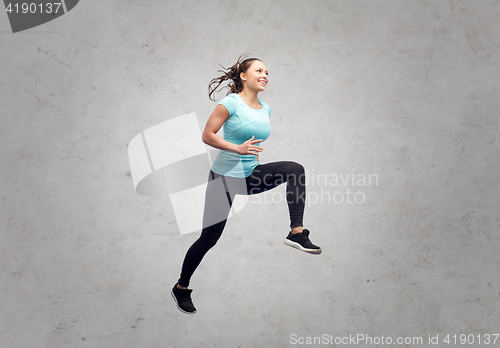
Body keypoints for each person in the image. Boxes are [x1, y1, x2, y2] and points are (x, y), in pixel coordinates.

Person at [171, 56, 321, 314]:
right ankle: (181, 287)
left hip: (250, 175)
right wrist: (236, 148)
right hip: (224, 180)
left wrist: (247, 154)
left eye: (267, 72)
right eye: (259, 70)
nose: (265, 75)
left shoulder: (265, 108)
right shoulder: (230, 103)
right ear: (243, 76)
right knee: (209, 239)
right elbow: (207, 135)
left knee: (295, 170)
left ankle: (296, 232)